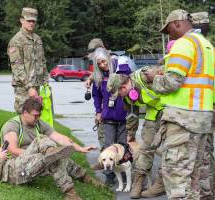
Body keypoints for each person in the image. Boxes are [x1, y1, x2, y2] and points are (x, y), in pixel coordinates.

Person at [144, 9, 214, 199]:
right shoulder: (207, 46)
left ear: (177, 23)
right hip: (202, 119)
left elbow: (172, 83)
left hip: (183, 119)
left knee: (177, 177)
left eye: (168, 31)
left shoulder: (184, 44)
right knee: (194, 176)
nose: (169, 36)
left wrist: (153, 78)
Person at [0, 98, 104, 200]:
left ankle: (85, 179)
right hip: (15, 168)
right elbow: (13, 150)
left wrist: (81, 148)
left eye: (39, 115)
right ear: (25, 113)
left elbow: (59, 137)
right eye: (35, 115)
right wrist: (39, 156)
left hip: (34, 162)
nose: (38, 118)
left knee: (57, 157)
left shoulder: (38, 123)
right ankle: (71, 194)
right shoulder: (12, 126)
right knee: (50, 155)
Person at [107, 65, 165, 198]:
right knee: (146, 149)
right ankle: (138, 182)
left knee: (169, 150)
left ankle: (161, 183)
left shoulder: (145, 76)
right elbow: (132, 115)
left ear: (122, 87)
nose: (119, 97)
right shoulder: (126, 96)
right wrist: (131, 136)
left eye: (118, 93)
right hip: (153, 115)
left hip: (171, 111)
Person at [90, 47, 129, 185]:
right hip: (108, 118)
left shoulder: (120, 68)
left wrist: (118, 64)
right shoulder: (98, 76)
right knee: (108, 147)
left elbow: (129, 75)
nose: (102, 65)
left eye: (104, 62)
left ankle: (124, 172)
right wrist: (98, 112)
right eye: (99, 63)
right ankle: (109, 174)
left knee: (123, 146)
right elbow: (96, 95)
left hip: (123, 116)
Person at [7, 7, 49, 113]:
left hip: (38, 86)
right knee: (24, 116)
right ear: (22, 20)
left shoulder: (37, 39)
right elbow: (17, 67)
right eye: (28, 20)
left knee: (37, 116)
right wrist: (29, 87)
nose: (31, 23)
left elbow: (42, 62)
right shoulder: (16, 40)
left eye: (33, 21)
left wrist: (46, 83)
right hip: (24, 88)